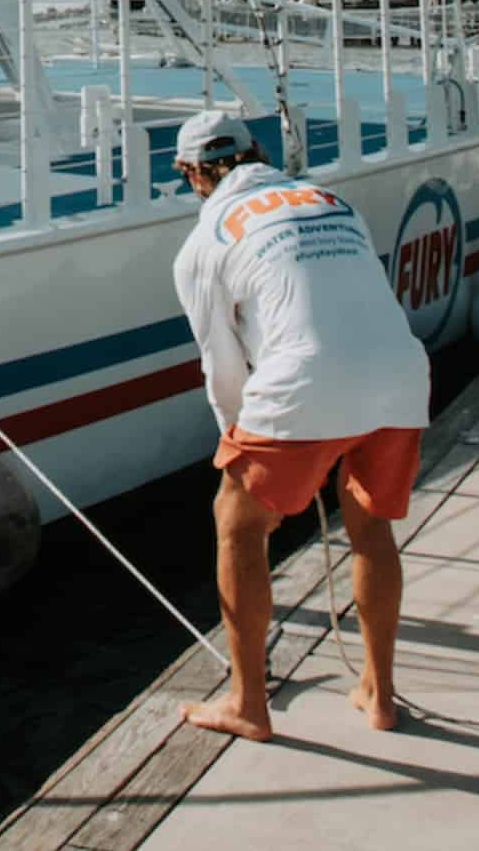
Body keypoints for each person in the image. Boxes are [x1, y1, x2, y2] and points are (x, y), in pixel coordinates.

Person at [169, 112, 430, 742]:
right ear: (258, 151)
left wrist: (239, 446)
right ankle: (379, 692)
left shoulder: (204, 242)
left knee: (237, 527)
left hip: (302, 379)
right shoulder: (332, 201)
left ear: (190, 175)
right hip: (400, 368)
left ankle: (248, 704)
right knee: (370, 525)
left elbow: (221, 362)